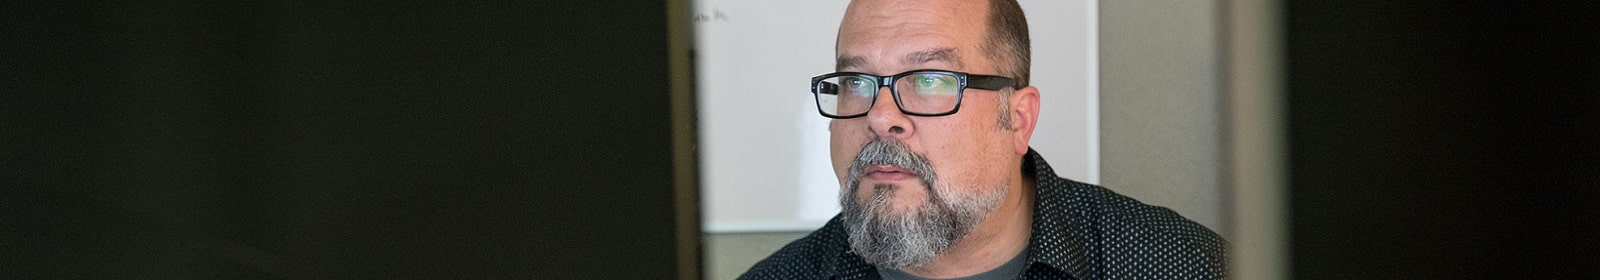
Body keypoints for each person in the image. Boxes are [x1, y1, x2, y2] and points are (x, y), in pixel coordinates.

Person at [739, 0, 1226, 279]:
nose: (881, 117)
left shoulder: (1177, 265)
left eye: (930, 79)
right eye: (854, 82)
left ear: (1018, 119)